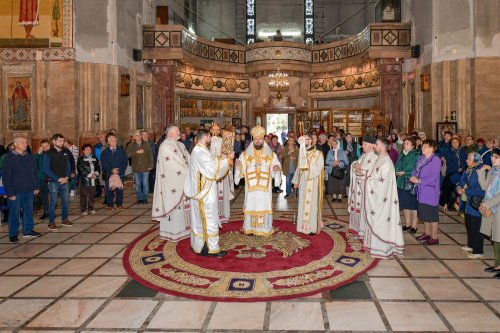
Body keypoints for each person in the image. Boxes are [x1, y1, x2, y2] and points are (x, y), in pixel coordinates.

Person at [184, 129, 234, 257]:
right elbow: (212, 170)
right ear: (206, 137)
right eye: (210, 137)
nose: (210, 139)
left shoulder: (199, 150)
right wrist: (228, 160)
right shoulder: (200, 152)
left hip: (202, 191)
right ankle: (212, 248)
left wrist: (220, 158)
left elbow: (209, 163)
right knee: (209, 218)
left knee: (201, 220)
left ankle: (200, 245)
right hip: (204, 194)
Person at [361, 138, 405, 258]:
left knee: (381, 221)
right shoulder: (380, 159)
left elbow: (382, 184)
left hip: (382, 201)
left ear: (383, 147)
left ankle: (382, 248)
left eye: (377, 144)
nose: (375, 145)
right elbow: (373, 174)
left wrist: (367, 181)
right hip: (378, 199)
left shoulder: (386, 162)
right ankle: (373, 246)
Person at [235, 126, 282, 236]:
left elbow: (276, 164)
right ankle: (250, 228)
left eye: (259, 139)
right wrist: (239, 165)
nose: (257, 141)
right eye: (255, 139)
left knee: (263, 205)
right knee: (251, 205)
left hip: (264, 187)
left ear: (263, 139)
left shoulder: (270, 154)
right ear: (253, 140)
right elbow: (240, 164)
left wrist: (276, 168)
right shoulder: (246, 154)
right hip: (251, 187)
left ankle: (264, 228)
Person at [153, 125, 191, 242]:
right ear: (170, 134)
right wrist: (189, 172)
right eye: (177, 131)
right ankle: (173, 233)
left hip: (184, 180)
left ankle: (185, 230)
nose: (180, 132)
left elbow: (189, 158)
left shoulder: (181, 145)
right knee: (175, 207)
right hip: (172, 184)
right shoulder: (164, 147)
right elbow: (172, 166)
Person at [3, 136, 40, 242]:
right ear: (15, 144)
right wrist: (10, 193)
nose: (25, 144)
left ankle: (27, 230)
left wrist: (36, 186)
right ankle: (13, 234)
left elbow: (35, 173)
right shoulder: (9, 159)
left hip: (28, 189)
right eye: (22, 142)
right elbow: (6, 178)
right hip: (15, 191)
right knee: (14, 213)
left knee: (28, 211)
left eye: (25, 142)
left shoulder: (29, 157)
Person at [410, 139, 442, 245]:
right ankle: (427, 233)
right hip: (421, 190)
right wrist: (413, 176)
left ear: (432, 149)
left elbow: (434, 177)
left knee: (432, 215)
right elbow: (415, 169)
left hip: (430, 191)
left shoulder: (436, 160)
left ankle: (434, 237)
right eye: (422, 146)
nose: (422, 148)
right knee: (424, 214)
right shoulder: (421, 158)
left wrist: (419, 181)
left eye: (425, 147)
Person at [292, 135, 324, 235]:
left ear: (310, 141)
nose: (303, 141)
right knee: (302, 203)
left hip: (313, 182)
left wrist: (308, 163)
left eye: (305, 139)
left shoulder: (318, 154)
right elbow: (299, 167)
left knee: (312, 204)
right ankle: (302, 227)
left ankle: (311, 228)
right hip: (303, 182)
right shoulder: (302, 153)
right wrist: (296, 181)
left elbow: (319, 167)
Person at [456, 152, 486, 259]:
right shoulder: (468, 169)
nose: (466, 160)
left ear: (475, 160)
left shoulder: (481, 170)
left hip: (476, 202)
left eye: (469, 159)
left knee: (476, 226)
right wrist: (459, 187)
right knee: (469, 223)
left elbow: (481, 189)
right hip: (468, 201)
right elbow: (461, 180)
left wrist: (465, 190)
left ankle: (478, 251)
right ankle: (471, 245)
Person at [348, 136, 377, 238]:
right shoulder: (364, 155)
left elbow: (373, 173)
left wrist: (360, 170)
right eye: (363, 144)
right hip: (358, 188)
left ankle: (362, 231)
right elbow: (356, 163)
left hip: (366, 188)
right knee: (356, 207)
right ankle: (356, 229)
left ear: (373, 145)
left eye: (365, 144)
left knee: (363, 210)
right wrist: (355, 164)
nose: (362, 146)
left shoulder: (375, 157)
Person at [478, 148, 500, 278]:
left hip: (496, 208)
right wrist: (481, 172)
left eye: (496, 157)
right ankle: (498, 264)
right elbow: (485, 187)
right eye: (492, 157)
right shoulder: (493, 173)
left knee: (499, 237)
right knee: (496, 238)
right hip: (491, 208)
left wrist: (487, 205)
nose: (492, 159)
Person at [43, 133, 72, 230]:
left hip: (64, 181)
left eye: (63, 140)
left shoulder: (65, 151)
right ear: (54, 141)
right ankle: (51, 222)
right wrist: (57, 178)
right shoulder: (48, 153)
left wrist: (67, 176)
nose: (62, 142)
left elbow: (68, 165)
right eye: (59, 140)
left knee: (65, 201)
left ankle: (65, 219)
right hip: (53, 181)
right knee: (53, 202)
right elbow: (46, 169)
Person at [209, 123, 234, 224]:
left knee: (223, 193)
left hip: (222, 170)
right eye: (214, 130)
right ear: (210, 131)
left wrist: (227, 157)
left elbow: (228, 153)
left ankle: (223, 215)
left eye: (218, 130)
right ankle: (213, 216)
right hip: (211, 172)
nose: (216, 131)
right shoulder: (206, 142)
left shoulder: (223, 141)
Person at [395, 137, 420, 234]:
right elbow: (397, 165)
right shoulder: (402, 154)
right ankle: (407, 224)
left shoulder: (416, 155)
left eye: (407, 143)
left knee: (413, 206)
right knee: (405, 205)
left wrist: (405, 172)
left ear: (412, 145)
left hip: (411, 182)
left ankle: (414, 226)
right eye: (404, 143)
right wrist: (397, 171)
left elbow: (416, 169)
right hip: (402, 182)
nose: (405, 145)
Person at [101, 133, 128, 210]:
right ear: (108, 142)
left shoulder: (121, 151)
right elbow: (104, 163)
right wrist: (111, 170)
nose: (114, 142)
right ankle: (110, 205)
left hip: (119, 173)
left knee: (119, 189)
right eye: (112, 140)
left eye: (115, 140)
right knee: (109, 190)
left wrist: (119, 170)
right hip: (109, 173)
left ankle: (119, 204)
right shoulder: (105, 152)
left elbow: (125, 162)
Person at [127, 130, 154, 204]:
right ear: (133, 137)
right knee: (138, 184)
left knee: (145, 183)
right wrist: (136, 152)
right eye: (136, 135)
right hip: (136, 168)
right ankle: (139, 198)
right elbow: (127, 155)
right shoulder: (130, 145)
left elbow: (150, 155)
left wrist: (151, 165)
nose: (138, 136)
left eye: (139, 135)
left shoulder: (146, 144)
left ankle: (145, 198)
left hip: (145, 167)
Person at [441, 137, 467, 210]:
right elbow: (449, 161)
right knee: (446, 186)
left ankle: (458, 206)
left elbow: (465, 161)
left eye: (456, 142)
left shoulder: (462, 151)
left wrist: (461, 167)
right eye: (453, 142)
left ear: (459, 143)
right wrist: (456, 169)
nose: (455, 143)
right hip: (451, 172)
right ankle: (445, 204)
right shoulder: (448, 151)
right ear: (451, 144)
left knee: (459, 188)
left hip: (460, 173)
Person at [77, 144, 100, 215]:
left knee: (92, 194)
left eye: (90, 149)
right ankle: (83, 209)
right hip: (85, 180)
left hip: (94, 180)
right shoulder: (80, 159)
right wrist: (90, 175)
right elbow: (80, 169)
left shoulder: (94, 158)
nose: (89, 150)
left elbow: (98, 167)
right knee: (83, 195)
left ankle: (91, 208)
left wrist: (95, 174)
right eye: (87, 149)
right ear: (83, 151)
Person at [34, 139, 50, 220]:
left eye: (47, 146)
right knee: (44, 195)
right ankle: (46, 211)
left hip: (51, 178)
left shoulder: (53, 154)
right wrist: (38, 153)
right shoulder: (40, 154)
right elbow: (33, 163)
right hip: (42, 178)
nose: (45, 148)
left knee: (52, 196)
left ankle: (51, 212)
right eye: (43, 146)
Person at [142, 130, 157, 194]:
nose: (145, 136)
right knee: (143, 180)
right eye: (143, 135)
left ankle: (151, 191)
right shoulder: (139, 144)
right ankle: (144, 193)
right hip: (142, 165)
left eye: (146, 135)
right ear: (141, 136)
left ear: (148, 135)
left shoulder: (152, 144)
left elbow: (154, 154)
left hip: (150, 164)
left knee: (151, 179)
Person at [93, 133, 107, 198]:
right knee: (99, 178)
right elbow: (94, 155)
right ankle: (99, 191)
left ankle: (107, 192)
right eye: (101, 137)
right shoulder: (96, 146)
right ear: (99, 139)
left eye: (104, 137)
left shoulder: (108, 145)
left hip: (106, 163)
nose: (102, 138)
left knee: (106, 178)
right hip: (98, 163)